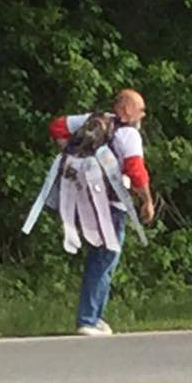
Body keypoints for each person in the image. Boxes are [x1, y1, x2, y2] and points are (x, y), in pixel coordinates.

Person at [48, 88, 155, 335]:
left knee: (99, 257)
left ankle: (94, 316)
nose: (143, 114)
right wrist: (147, 201)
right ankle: (88, 318)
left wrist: (67, 150)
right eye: (140, 109)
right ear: (127, 110)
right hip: (111, 204)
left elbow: (57, 126)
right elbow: (135, 170)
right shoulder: (129, 134)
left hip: (82, 199)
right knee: (104, 260)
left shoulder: (94, 120)